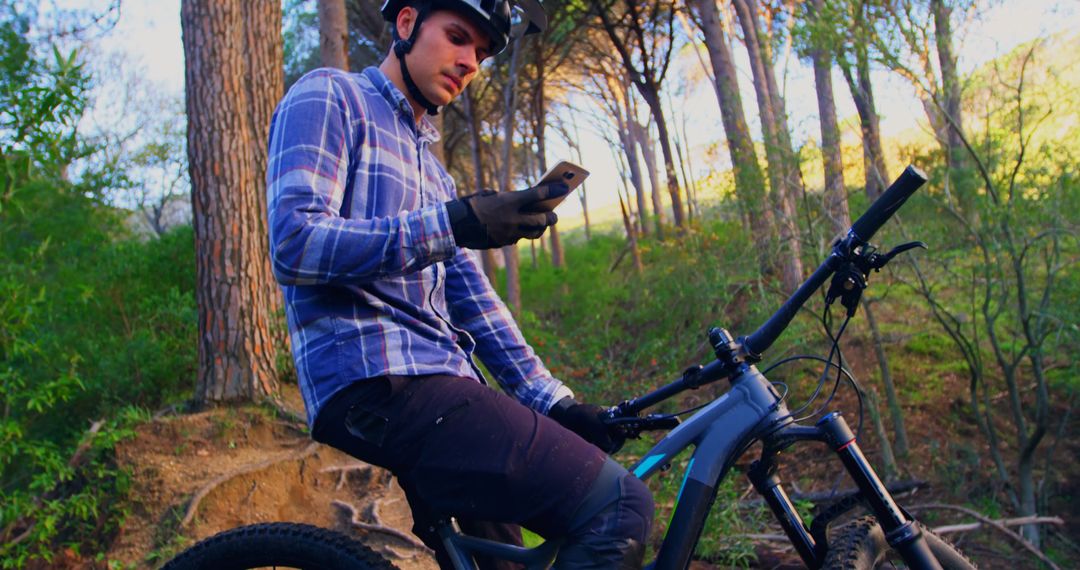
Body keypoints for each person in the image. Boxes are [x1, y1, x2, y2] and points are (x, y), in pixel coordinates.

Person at [266, 0, 653, 567]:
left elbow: (472, 299)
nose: (470, 61)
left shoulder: (434, 169)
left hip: (439, 384)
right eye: (457, 37)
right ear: (405, 25)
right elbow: (295, 243)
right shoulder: (331, 95)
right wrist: (454, 222)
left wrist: (556, 402)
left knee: (504, 562)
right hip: (381, 377)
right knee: (618, 505)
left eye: (481, 52)